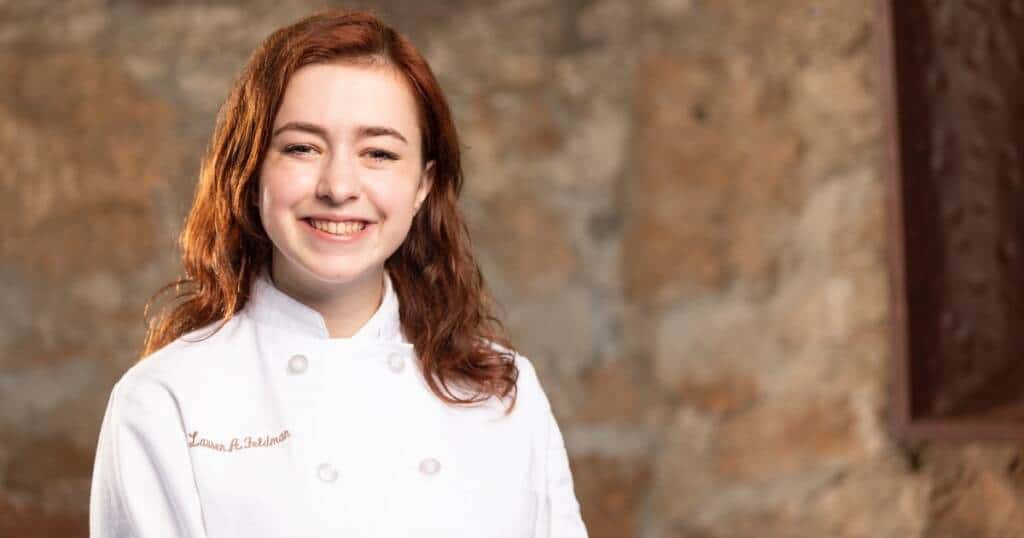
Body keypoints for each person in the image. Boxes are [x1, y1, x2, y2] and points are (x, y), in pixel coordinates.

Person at [88, 7, 588, 538]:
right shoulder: (164, 400)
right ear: (250, 170)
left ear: (422, 184)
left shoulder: (506, 394)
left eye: (378, 152)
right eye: (302, 147)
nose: (338, 186)